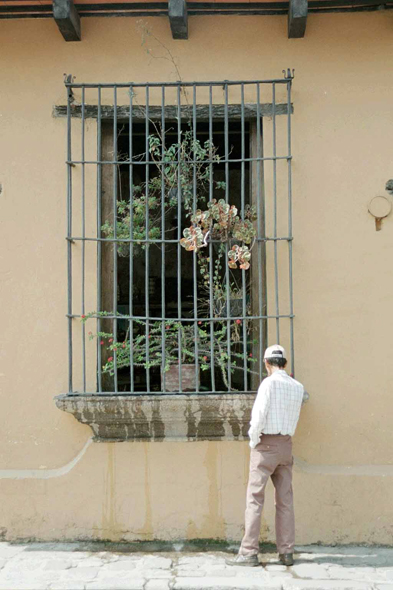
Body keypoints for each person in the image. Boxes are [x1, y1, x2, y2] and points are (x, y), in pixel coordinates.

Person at [226, 344, 305, 568]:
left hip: (265, 445)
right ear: (285, 364)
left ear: (266, 363)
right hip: (286, 445)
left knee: (254, 499)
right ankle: (286, 552)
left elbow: (259, 415)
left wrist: (254, 441)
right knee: (285, 500)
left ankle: (249, 552)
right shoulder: (297, 387)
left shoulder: (268, 384)